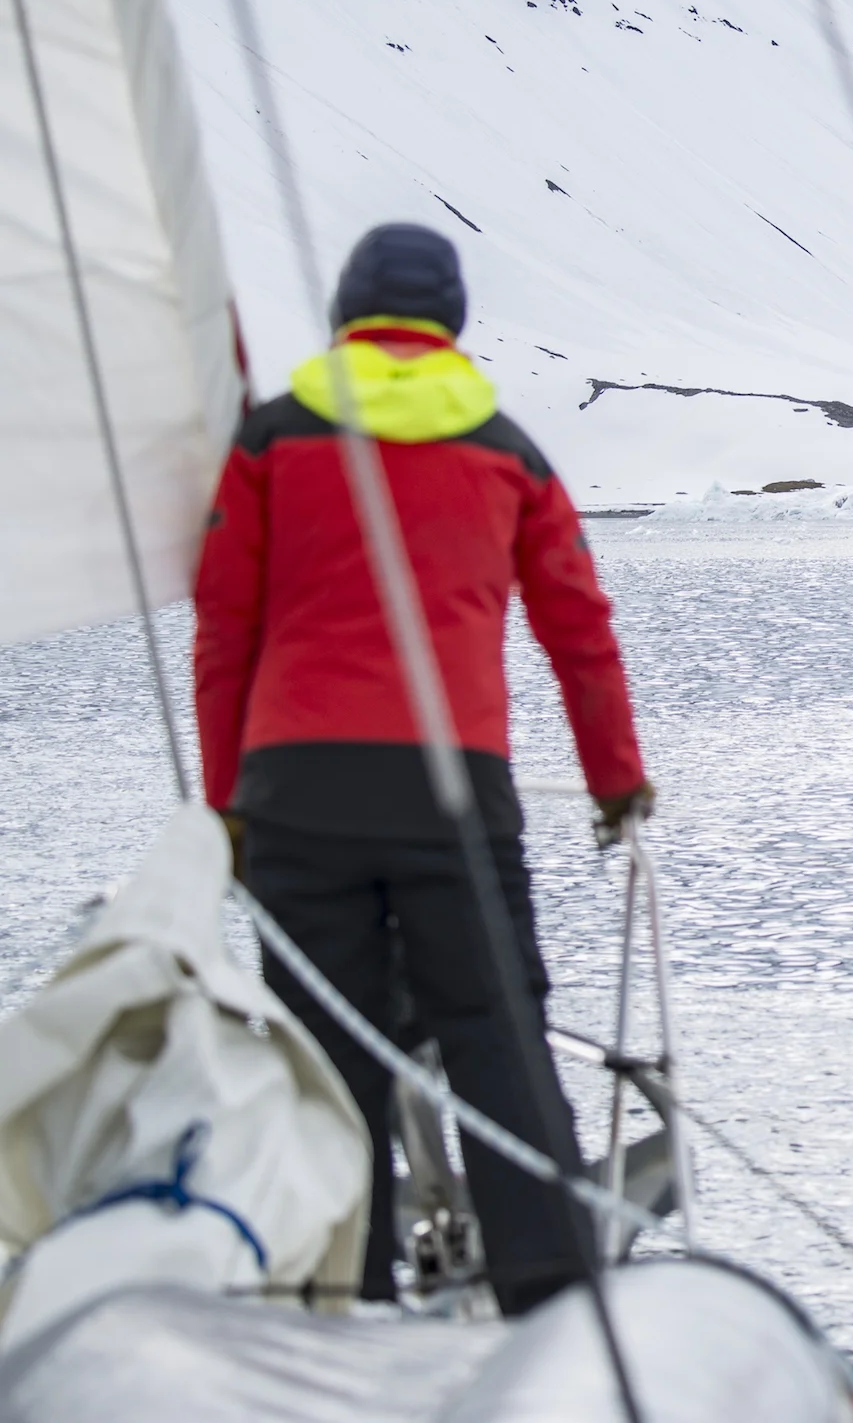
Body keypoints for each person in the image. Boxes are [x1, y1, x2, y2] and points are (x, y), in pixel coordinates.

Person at [193, 222, 654, 1313]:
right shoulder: (508, 451)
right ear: (448, 323)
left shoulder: (269, 442)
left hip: (298, 789)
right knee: (496, 1028)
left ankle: (332, 1286)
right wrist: (613, 779)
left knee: (322, 1043)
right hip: (454, 790)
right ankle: (548, 1292)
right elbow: (579, 626)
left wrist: (228, 805)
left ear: (347, 314)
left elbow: (224, 632)